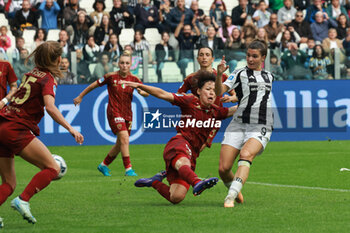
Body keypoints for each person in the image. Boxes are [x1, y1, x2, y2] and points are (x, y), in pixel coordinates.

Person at [0, 41, 84, 224]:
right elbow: (51, 108)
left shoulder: (30, 74)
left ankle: (20, 199)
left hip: (3, 125)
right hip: (16, 128)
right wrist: (70, 128)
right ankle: (23, 200)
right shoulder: (48, 79)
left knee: (9, 183)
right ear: (57, 59)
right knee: (53, 168)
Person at [129, 71, 238, 204]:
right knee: (183, 162)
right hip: (179, 143)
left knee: (176, 197)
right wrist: (140, 85)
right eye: (208, 89)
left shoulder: (217, 112)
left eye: (214, 90)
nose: (211, 93)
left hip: (192, 154)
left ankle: (155, 182)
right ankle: (197, 182)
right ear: (198, 91)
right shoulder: (190, 101)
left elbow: (238, 109)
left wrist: (250, 98)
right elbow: (163, 94)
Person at [214, 40, 274, 208]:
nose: (250, 59)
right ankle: (236, 188)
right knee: (224, 169)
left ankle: (230, 196)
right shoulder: (239, 73)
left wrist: (235, 98)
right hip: (238, 124)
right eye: (248, 55)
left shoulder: (270, 76)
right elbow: (219, 92)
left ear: (263, 58)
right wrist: (219, 75)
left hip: (261, 124)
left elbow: (256, 95)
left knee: (246, 155)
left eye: (254, 56)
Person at [73, 51, 149, 177]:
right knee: (124, 138)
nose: (124, 65)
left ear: (131, 65)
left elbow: (145, 92)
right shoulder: (111, 77)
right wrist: (80, 96)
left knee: (121, 143)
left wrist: (142, 92)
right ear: (118, 64)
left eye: (127, 63)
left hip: (128, 114)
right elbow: (93, 85)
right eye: (122, 63)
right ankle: (128, 169)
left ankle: (103, 165)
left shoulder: (134, 80)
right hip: (114, 112)